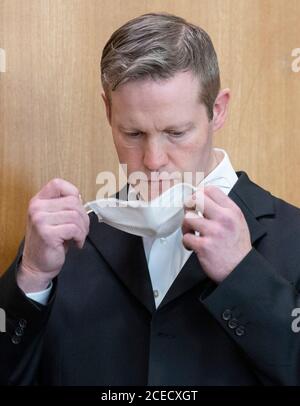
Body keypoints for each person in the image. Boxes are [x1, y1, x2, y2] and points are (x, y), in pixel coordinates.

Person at [1, 12, 300, 386]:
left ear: (217, 111)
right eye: (133, 133)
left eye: (176, 132)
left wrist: (244, 277)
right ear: (108, 112)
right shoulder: (60, 248)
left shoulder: (294, 238)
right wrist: (31, 278)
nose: (153, 161)